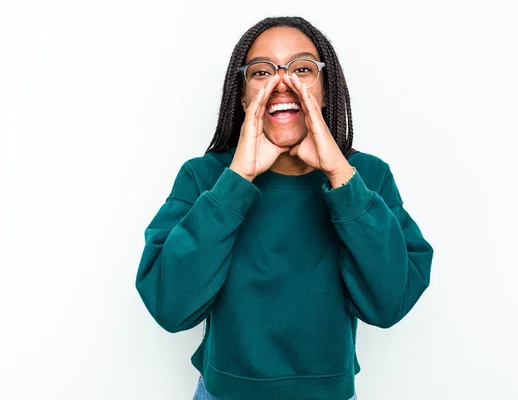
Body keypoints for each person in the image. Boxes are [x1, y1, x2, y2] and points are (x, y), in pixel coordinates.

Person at [135, 16, 434, 400]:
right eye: (262, 72)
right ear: (243, 96)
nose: (282, 83)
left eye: (302, 69)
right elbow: (169, 306)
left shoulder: (367, 177)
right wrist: (237, 179)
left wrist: (340, 175)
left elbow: (389, 302)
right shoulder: (204, 176)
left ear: (326, 91)